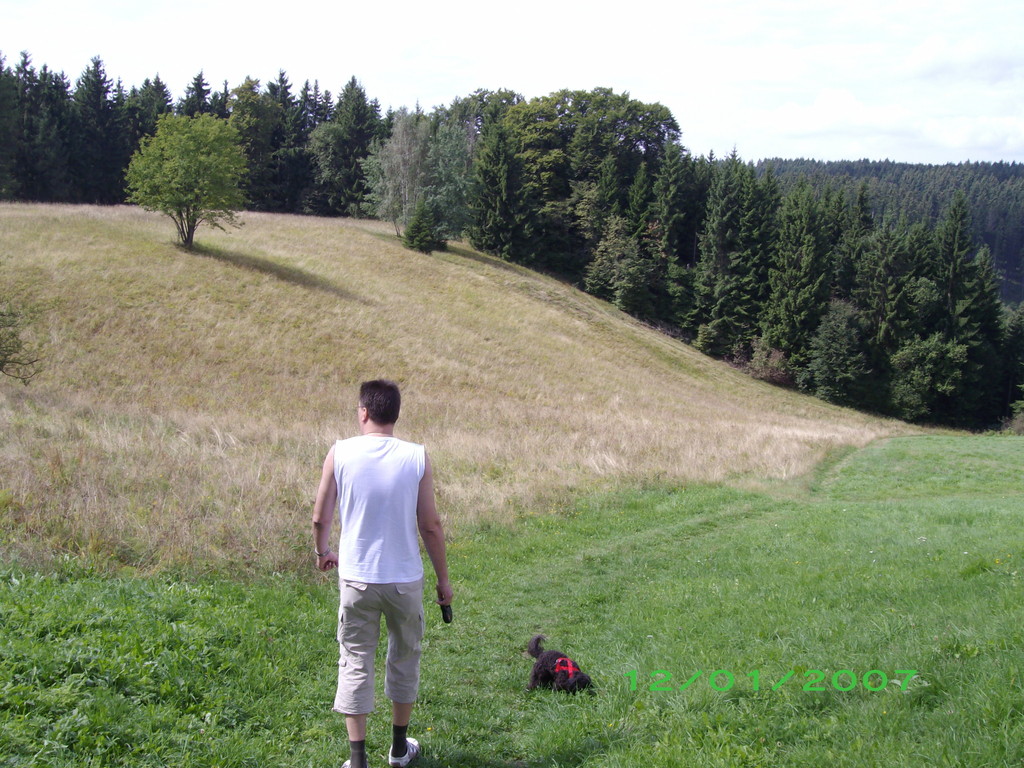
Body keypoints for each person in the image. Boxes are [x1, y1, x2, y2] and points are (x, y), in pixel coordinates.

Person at [312, 380, 453, 768]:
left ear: (363, 412)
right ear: (395, 414)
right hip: (404, 579)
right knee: (404, 656)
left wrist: (324, 552)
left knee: (356, 658)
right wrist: (443, 581)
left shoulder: (340, 453)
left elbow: (320, 516)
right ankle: (397, 748)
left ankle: (357, 759)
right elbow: (431, 526)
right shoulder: (416, 456)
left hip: (356, 577)